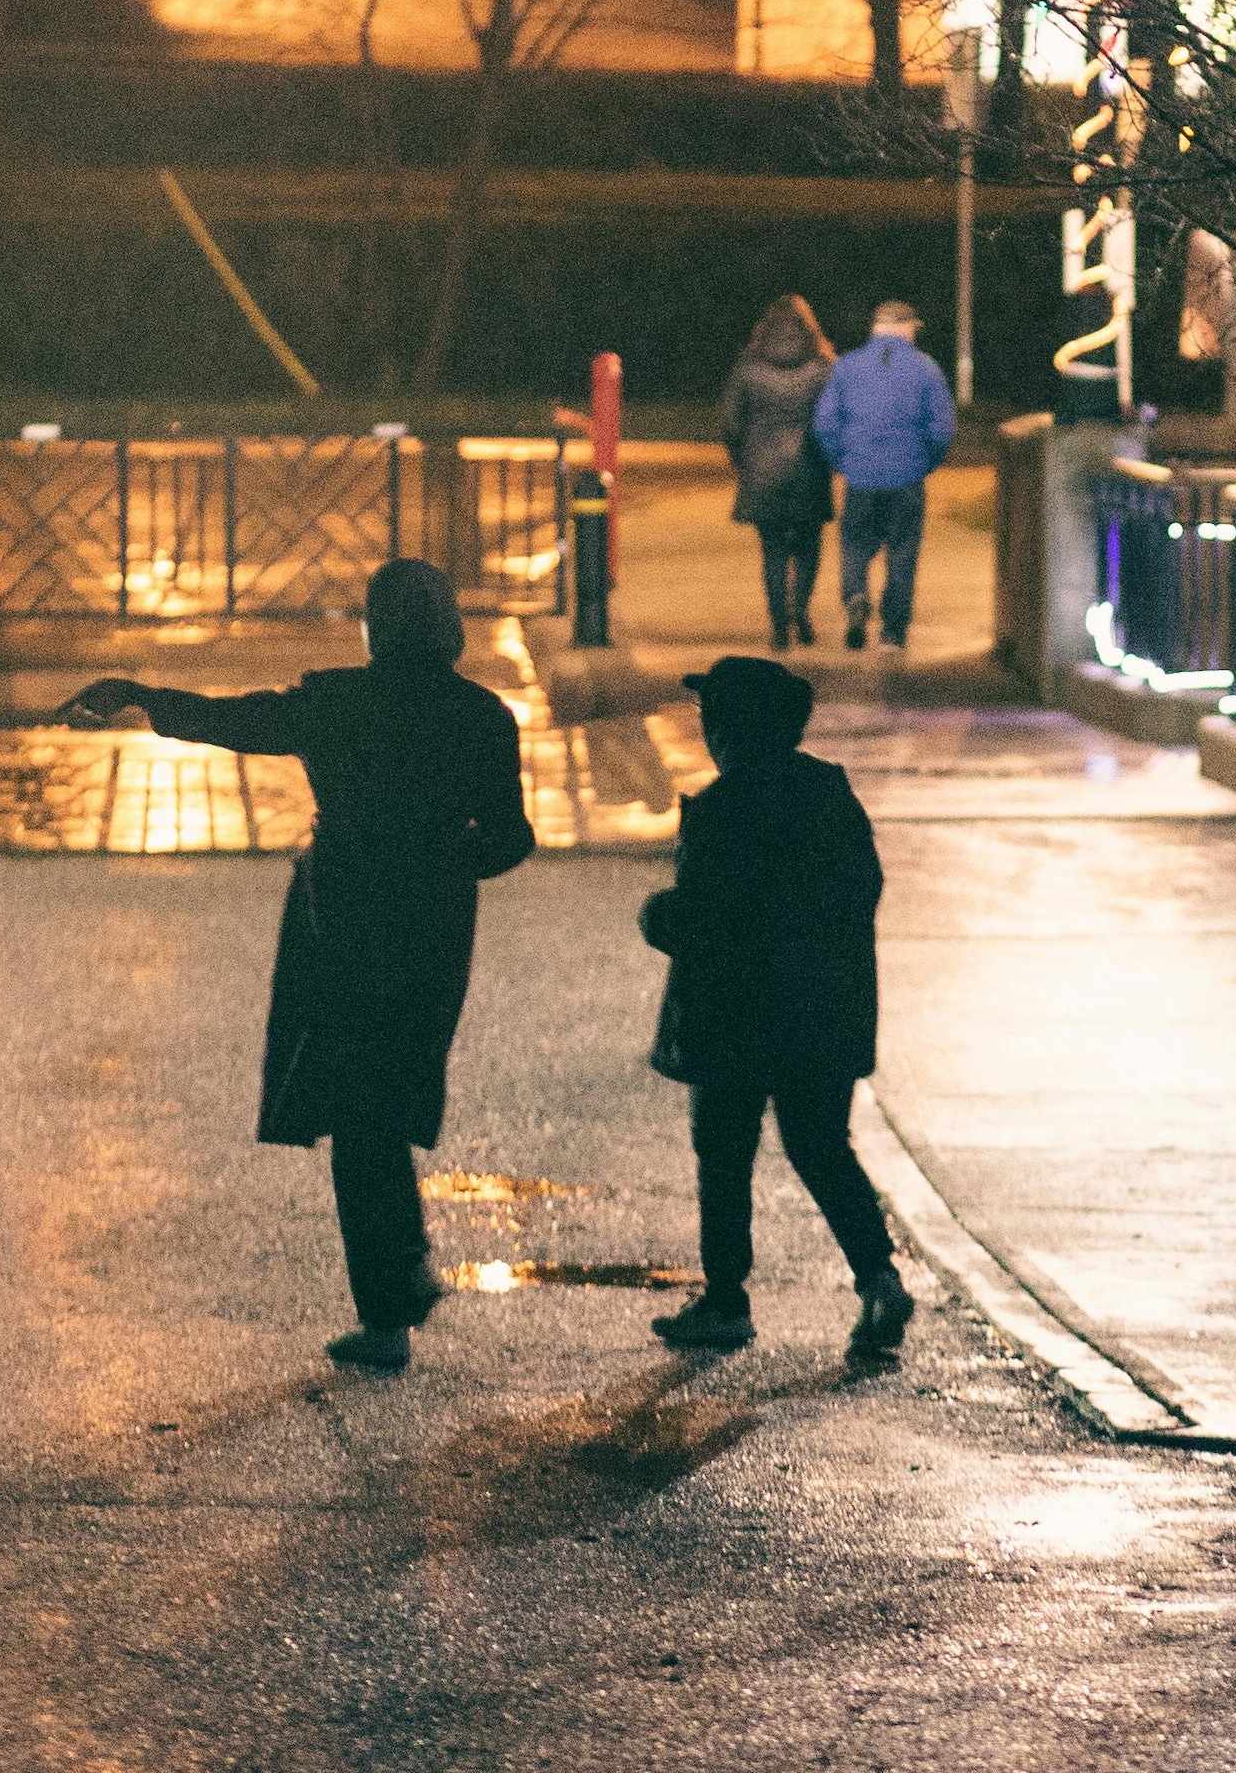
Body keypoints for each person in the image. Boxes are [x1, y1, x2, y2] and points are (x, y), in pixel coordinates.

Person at [64, 558, 534, 1374]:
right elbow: (509, 839)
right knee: (388, 1093)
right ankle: (403, 1267)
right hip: (431, 929)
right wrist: (442, 860)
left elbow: (235, 722)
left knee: (356, 1110)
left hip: (343, 919)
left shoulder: (338, 703)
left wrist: (140, 694)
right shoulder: (484, 717)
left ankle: (387, 1308)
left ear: (376, 627)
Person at [637, 652, 912, 1358]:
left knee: (724, 1153)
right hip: (821, 1012)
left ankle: (726, 1300)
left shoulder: (721, 809)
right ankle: (879, 1276)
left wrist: (656, 916)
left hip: (733, 1018)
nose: (704, 730)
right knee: (821, 1145)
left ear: (732, 728)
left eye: (711, 718)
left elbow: (698, 917)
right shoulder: (830, 794)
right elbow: (863, 889)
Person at [807, 297, 958, 652]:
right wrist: (924, 463)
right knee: (902, 554)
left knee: (855, 546)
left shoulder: (846, 367)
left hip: (859, 478)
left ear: (875, 329)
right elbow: (942, 429)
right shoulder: (926, 368)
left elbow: (825, 424)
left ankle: (856, 596)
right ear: (906, 328)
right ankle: (892, 632)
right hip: (907, 479)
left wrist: (843, 461)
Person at [720, 294, 839, 648]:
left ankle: (778, 629)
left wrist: (743, 461)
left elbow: (729, 421)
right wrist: (830, 460)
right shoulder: (822, 367)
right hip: (810, 467)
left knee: (772, 550)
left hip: (763, 468)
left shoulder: (749, 366)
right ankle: (799, 611)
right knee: (808, 545)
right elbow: (835, 420)